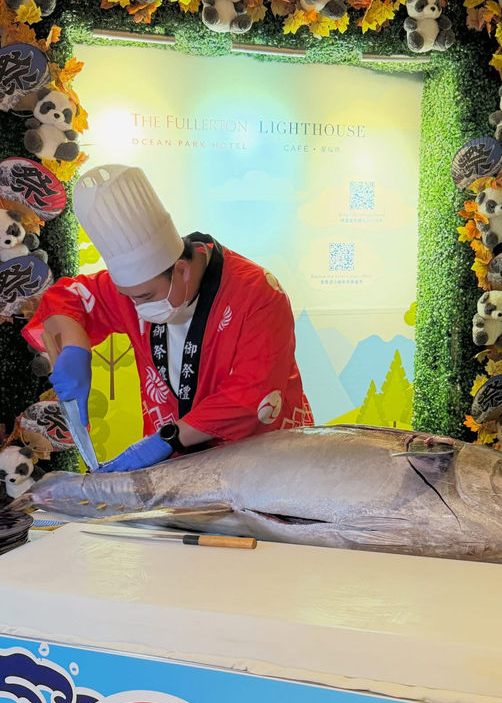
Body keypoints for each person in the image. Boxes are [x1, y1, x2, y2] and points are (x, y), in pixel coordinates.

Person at [22, 164, 313, 472]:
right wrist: (74, 347)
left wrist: (165, 440)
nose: (135, 307)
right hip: (180, 468)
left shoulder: (257, 293)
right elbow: (69, 298)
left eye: (144, 297)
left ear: (182, 271)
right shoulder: (139, 286)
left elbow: (252, 396)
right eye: (129, 296)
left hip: (265, 463)